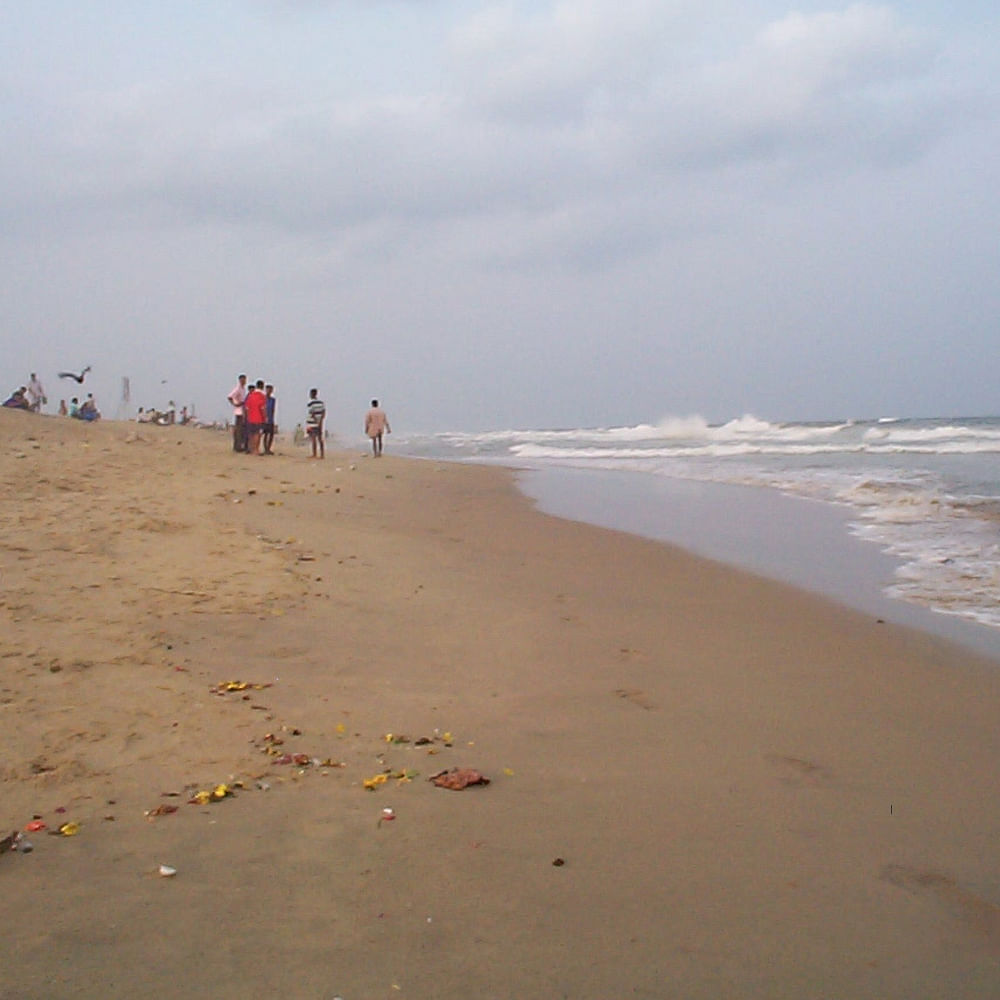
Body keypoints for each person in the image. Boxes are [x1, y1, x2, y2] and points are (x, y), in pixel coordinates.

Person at [244, 379, 268, 456]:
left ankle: (251, 449)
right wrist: (265, 417)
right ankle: (256, 450)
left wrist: (247, 417)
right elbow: (262, 408)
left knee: (251, 434)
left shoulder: (250, 395)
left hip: (250, 417)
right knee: (257, 434)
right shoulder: (262, 396)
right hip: (259, 418)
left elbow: (246, 408)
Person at [227, 374, 248, 452]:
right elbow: (230, 397)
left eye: (245, 380)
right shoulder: (238, 389)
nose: (244, 381)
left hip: (242, 410)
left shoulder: (243, 389)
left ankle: (239, 445)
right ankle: (237, 446)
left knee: (241, 429)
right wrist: (235, 404)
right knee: (238, 429)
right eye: (242, 380)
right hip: (238, 411)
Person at [306, 388, 325, 459]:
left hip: (312, 423)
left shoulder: (310, 403)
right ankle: (322, 454)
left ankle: (314, 454)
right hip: (320, 422)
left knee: (313, 438)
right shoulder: (321, 403)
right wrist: (321, 421)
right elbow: (323, 412)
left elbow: (312, 413)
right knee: (320, 438)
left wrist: (316, 421)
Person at [263, 384, 276, 455]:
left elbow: (273, 410)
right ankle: (265, 448)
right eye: (268, 389)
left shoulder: (273, 400)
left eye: (270, 390)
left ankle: (268, 448)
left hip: (271, 419)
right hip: (264, 419)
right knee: (265, 434)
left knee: (271, 434)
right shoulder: (263, 399)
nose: (269, 391)